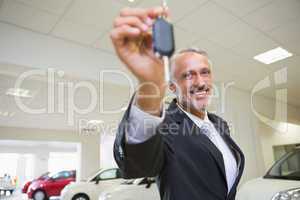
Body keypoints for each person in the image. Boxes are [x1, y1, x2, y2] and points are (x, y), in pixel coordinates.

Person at [111, 6, 245, 200]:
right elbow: (136, 165)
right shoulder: (166, 126)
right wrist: (151, 86)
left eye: (204, 72)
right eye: (188, 75)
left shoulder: (219, 124)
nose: (200, 82)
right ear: (172, 87)